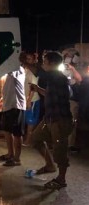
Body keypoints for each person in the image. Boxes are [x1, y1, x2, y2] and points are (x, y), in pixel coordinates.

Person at [29, 51, 73, 190]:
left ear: (53, 64)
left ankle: (61, 179)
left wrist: (26, 63)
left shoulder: (57, 77)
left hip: (59, 120)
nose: (43, 64)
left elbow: (40, 72)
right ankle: (49, 165)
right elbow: (49, 93)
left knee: (60, 150)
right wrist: (37, 89)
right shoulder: (54, 79)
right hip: (49, 118)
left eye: (45, 61)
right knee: (35, 139)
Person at [0, 54, 26, 166]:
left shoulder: (19, 70)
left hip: (16, 106)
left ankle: (17, 159)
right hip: (8, 105)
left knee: (17, 133)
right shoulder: (10, 74)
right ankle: (10, 154)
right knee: (7, 131)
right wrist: (1, 102)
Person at [61, 48, 83, 152]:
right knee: (61, 121)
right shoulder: (62, 68)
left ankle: (70, 145)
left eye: (70, 56)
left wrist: (72, 69)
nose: (68, 58)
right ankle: (59, 142)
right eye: (67, 56)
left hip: (72, 100)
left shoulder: (78, 68)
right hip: (62, 99)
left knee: (72, 122)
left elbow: (79, 79)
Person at [22, 51, 41, 146]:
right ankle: (27, 139)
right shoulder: (26, 70)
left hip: (32, 100)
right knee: (27, 121)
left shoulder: (33, 72)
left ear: (34, 60)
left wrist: (28, 101)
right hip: (26, 99)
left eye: (30, 59)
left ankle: (28, 141)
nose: (27, 61)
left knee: (31, 122)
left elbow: (33, 87)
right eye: (26, 59)